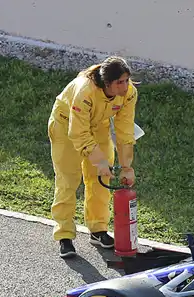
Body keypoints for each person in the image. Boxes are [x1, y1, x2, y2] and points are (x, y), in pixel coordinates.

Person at [48, 56, 139, 258]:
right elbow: (78, 133)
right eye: (120, 82)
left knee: (101, 179)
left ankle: (98, 230)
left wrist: (126, 167)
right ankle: (65, 235)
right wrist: (98, 160)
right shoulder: (85, 91)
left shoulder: (129, 93)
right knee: (68, 180)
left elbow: (125, 130)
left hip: (98, 126)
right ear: (107, 84)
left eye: (127, 80)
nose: (126, 86)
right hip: (66, 127)